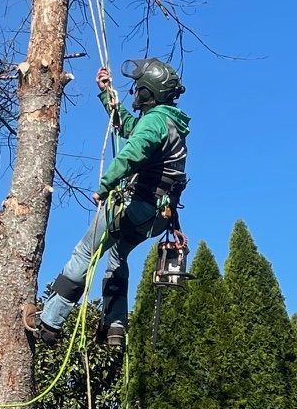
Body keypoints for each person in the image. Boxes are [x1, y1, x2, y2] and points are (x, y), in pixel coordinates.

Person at [37, 57, 190, 354]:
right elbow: (129, 128)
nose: (133, 93)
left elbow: (133, 150)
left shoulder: (156, 121)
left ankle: (49, 322)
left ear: (148, 92)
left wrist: (105, 184)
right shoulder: (170, 122)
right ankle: (115, 327)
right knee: (117, 258)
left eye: (137, 88)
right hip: (157, 217)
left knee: (86, 251)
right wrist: (108, 95)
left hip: (133, 204)